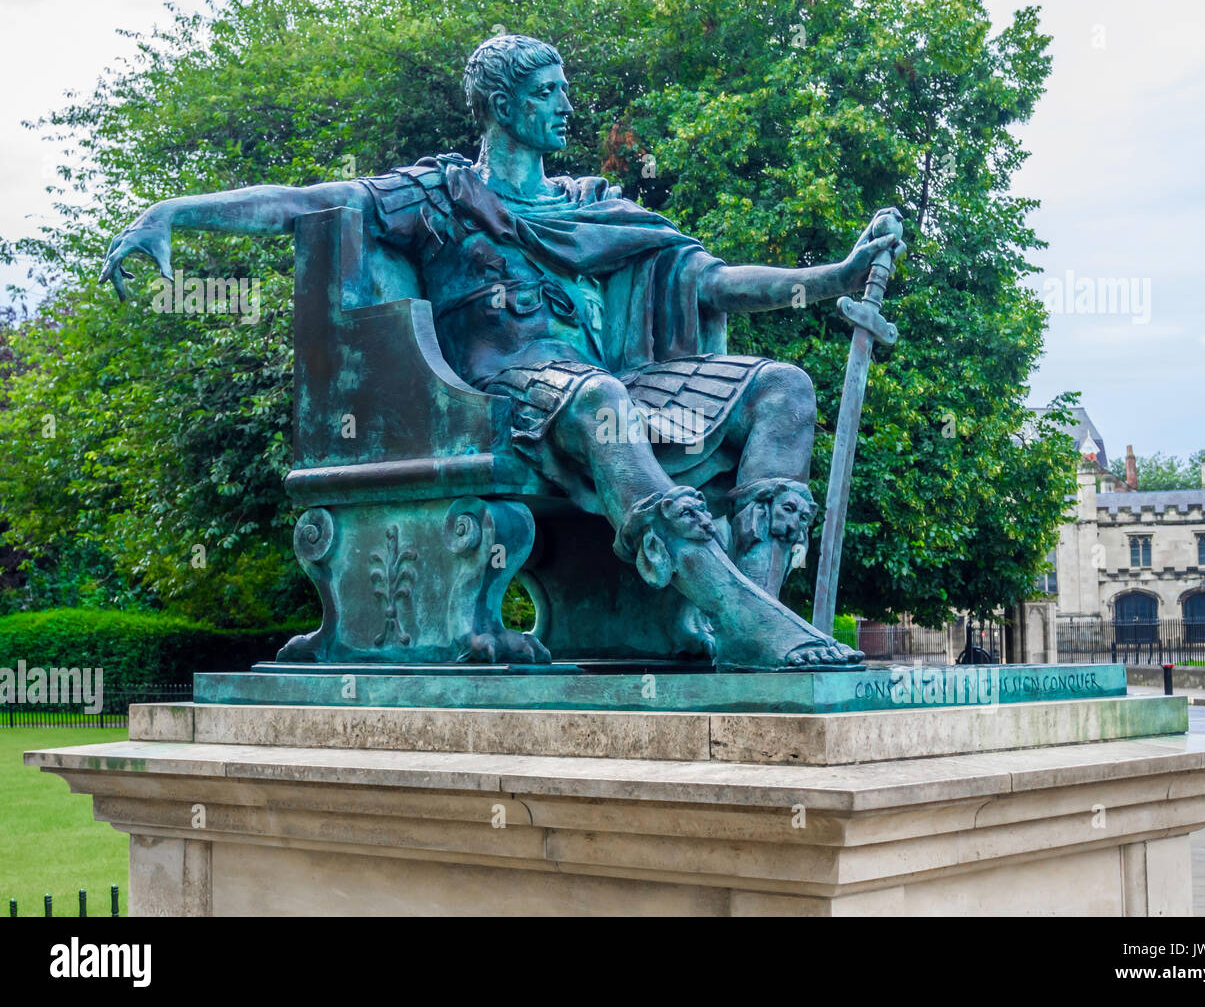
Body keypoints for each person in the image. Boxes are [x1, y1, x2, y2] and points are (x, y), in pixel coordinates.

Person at [100, 34, 905, 670]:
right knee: (601, 401)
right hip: (503, 393)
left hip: (613, 387)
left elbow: (713, 281)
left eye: (562, 88)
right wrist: (174, 213)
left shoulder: (590, 204)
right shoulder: (442, 195)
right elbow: (314, 203)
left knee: (784, 388)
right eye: (546, 92)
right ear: (499, 105)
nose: (566, 106)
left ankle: (744, 616)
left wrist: (830, 278)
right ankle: (729, 606)